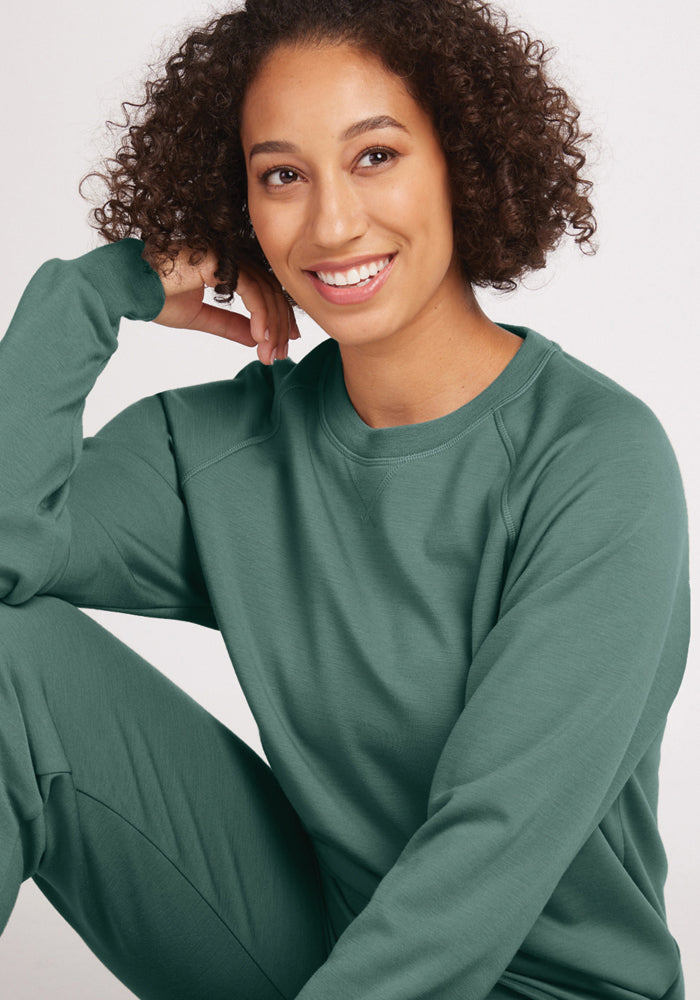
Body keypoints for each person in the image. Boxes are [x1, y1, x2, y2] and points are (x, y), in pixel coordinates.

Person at [0, 0, 690, 998]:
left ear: (460, 156)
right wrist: (93, 291)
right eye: (283, 174)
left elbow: (480, 858)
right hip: (325, 950)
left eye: (374, 157)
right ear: (239, 206)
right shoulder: (218, 448)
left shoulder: (596, 462)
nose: (331, 222)